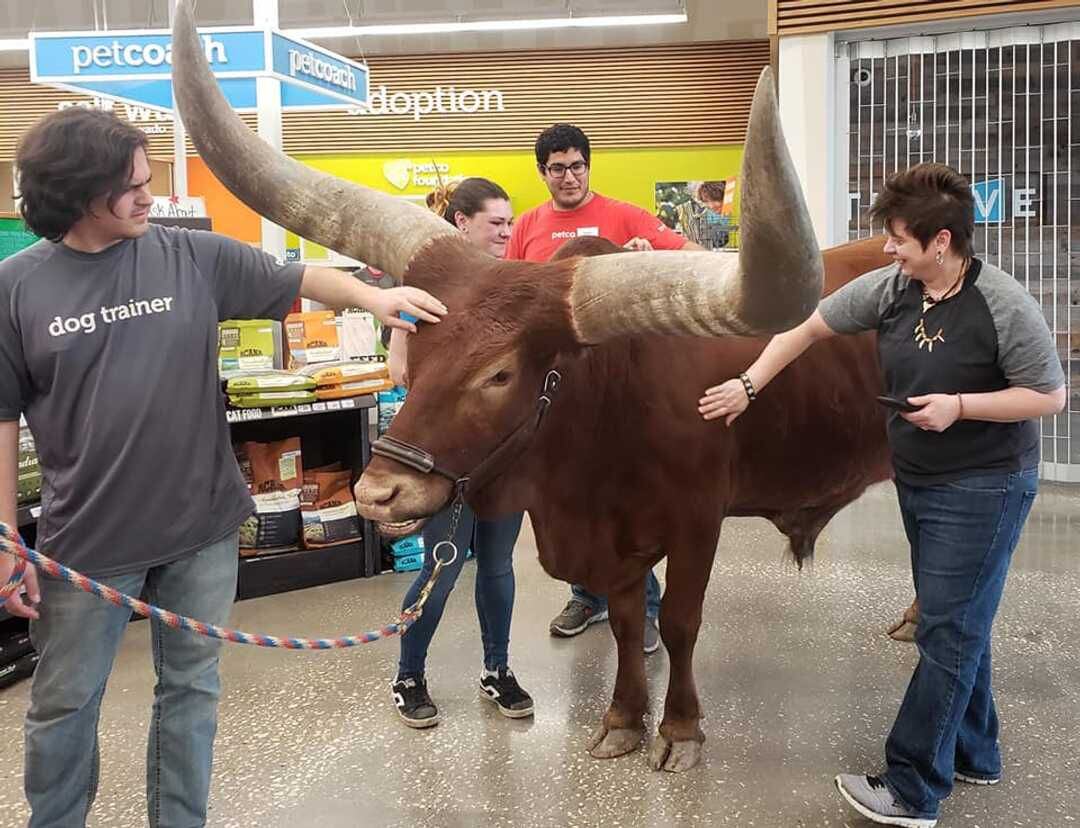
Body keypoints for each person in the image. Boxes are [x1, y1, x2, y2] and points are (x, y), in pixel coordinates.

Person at [0, 108, 446, 828]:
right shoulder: (16, 288)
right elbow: (3, 414)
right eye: (131, 186)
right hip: (84, 542)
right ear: (78, 191)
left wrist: (377, 297)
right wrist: (5, 540)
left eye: (150, 180)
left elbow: (296, 274)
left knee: (191, 691)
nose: (150, 196)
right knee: (64, 701)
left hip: (202, 529)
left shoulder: (188, 255)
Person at [698, 162, 1065, 828]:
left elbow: (1049, 395)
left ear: (943, 242)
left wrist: (959, 406)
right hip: (922, 480)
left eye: (899, 239)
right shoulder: (894, 288)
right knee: (962, 620)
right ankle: (975, 753)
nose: (889, 249)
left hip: (985, 483)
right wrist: (749, 385)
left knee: (947, 630)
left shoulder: (1003, 303)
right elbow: (808, 328)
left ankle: (911, 789)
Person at [507, 122, 704, 651]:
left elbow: (692, 255)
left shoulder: (625, 215)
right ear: (542, 172)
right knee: (573, 498)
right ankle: (587, 597)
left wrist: (646, 256)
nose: (568, 177)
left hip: (622, 395)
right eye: (557, 169)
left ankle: (645, 605)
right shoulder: (526, 227)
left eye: (576, 166)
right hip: (559, 398)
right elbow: (508, 303)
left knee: (628, 499)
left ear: (589, 166)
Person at [386, 177, 534, 728]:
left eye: (509, 222)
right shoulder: (424, 294)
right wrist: (401, 330)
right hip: (447, 462)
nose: (506, 232)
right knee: (441, 569)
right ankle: (408, 675)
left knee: (497, 567)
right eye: (496, 223)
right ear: (461, 222)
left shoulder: (514, 288)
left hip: (503, 459)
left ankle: (496, 669)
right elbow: (399, 373)